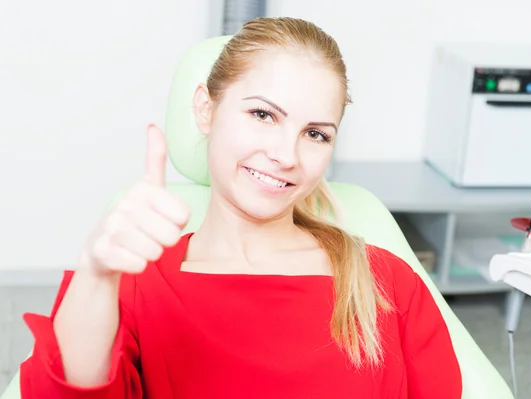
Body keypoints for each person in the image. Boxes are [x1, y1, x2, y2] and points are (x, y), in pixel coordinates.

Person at [18, 17, 462, 399]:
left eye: (315, 134)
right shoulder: (134, 289)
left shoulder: (387, 286)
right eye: (263, 115)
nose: (286, 155)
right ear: (205, 109)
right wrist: (95, 275)